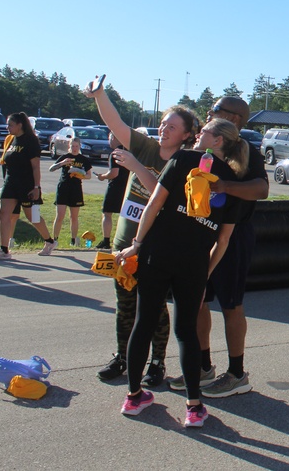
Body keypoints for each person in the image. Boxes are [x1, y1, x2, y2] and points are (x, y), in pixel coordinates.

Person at [114, 117, 246, 427]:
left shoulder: (184, 158)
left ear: (218, 142)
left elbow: (154, 205)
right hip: (194, 264)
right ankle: (194, 407)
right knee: (186, 332)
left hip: (156, 254)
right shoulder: (232, 182)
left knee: (143, 323)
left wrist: (136, 244)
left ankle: (134, 398)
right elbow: (222, 240)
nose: (200, 134)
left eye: (207, 131)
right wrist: (205, 273)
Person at [85, 78, 200, 386]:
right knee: (125, 306)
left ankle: (157, 363)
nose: (164, 130)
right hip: (124, 245)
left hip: (153, 249)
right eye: (163, 123)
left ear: (187, 135)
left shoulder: (185, 163)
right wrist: (99, 94)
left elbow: (162, 198)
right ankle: (123, 358)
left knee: (154, 311)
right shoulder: (146, 146)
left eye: (172, 127)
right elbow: (116, 123)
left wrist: (136, 167)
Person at [171, 97, 270, 399]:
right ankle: (203, 367)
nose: (207, 116)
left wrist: (226, 187)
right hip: (203, 235)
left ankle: (237, 373)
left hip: (233, 236)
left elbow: (262, 190)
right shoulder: (198, 154)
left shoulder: (247, 151)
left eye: (214, 113)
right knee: (199, 300)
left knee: (230, 305)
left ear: (233, 118)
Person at [0, 112, 56, 259]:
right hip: (10, 183)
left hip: (27, 184)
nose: (7, 127)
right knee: (3, 214)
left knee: (32, 217)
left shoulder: (30, 141)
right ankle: (4, 250)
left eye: (10, 125)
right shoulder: (11, 140)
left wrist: (36, 187)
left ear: (20, 125)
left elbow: (36, 167)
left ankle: (49, 241)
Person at [46, 137, 92, 251]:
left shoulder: (83, 159)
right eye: (73, 146)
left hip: (76, 189)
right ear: (69, 147)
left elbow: (89, 175)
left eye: (77, 146)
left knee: (74, 217)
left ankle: (73, 240)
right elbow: (51, 169)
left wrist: (80, 175)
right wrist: (62, 163)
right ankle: (54, 240)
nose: (75, 148)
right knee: (60, 215)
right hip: (63, 187)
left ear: (79, 146)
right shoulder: (64, 157)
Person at [95, 133, 130, 250]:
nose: (108, 141)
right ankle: (125, 240)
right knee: (124, 214)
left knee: (107, 213)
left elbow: (114, 173)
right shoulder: (128, 152)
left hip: (115, 187)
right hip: (128, 187)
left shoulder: (115, 153)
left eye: (109, 138)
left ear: (114, 138)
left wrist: (103, 176)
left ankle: (106, 240)